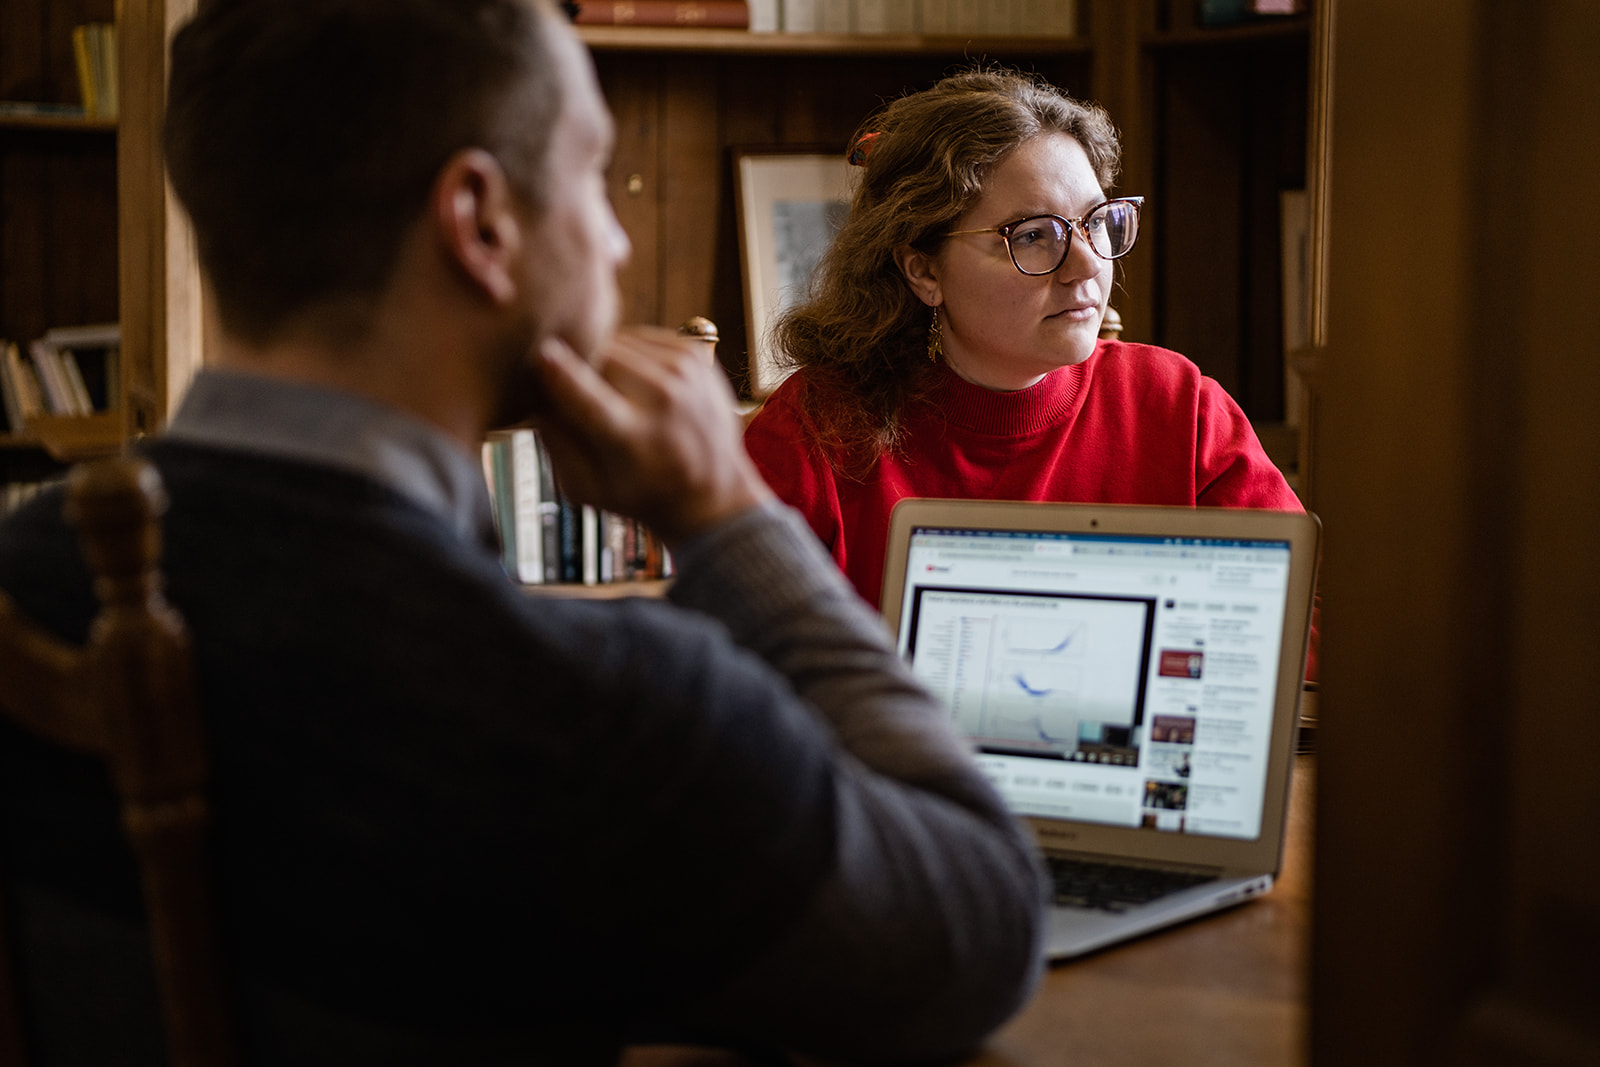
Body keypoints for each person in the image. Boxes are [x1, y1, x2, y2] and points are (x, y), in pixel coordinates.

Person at [0, 3, 1046, 1064]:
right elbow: (979, 923)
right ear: (481, 222)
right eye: (594, 174)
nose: (618, 234)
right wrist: (729, 517)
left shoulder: (21, 578)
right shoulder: (587, 710)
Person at [743, 67, 1308, 614]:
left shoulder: (1178, 405)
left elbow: (1295, 621)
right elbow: (731, 675)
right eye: (1034, 236)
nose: (1087, 264)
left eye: (1096, 221)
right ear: (924, 272)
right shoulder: (816, 431)